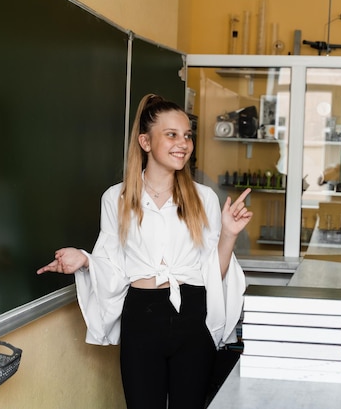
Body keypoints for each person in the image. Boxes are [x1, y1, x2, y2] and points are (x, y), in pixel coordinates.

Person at [37, 93, 253, 409]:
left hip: (192, 316)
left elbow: (212, 274)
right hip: (142, 316)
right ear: (145, 142)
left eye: (187, 136)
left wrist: (229, 236)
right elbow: (113, 265)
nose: (184, 143)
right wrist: (85, 259)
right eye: (172, 135)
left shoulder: (203, 198)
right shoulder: (116, 199)